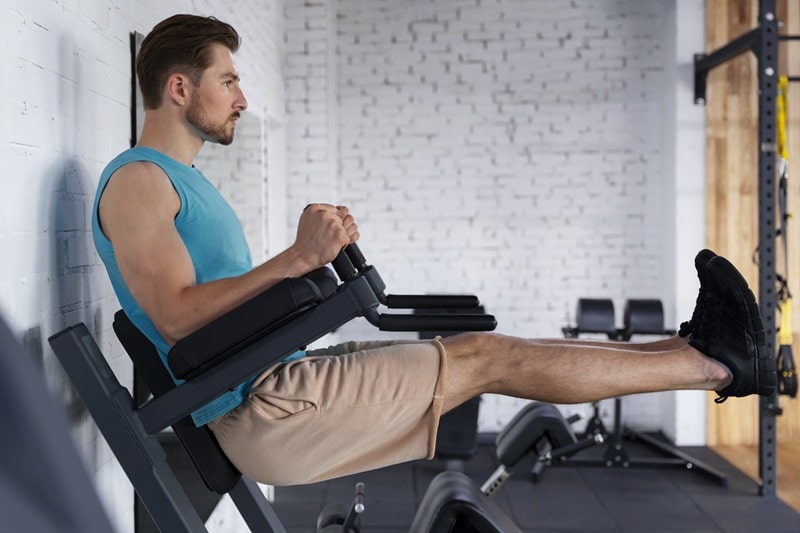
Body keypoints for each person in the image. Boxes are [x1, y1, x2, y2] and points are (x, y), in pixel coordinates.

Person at [92, 14, 776, 486]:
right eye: (228, 81)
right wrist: (298, 259)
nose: (241, 97)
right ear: (179, 88)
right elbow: (177, 317)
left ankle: (692, 346)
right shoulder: (138, 181)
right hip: (267, 412)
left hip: (277, 382)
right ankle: (713, 366)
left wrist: (313, 261)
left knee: (489, 347)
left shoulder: (178, 180)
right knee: (489, 356)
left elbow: (216, 309)